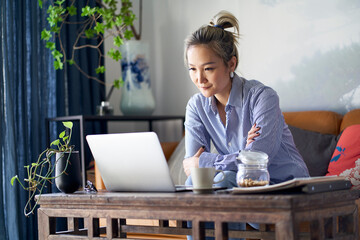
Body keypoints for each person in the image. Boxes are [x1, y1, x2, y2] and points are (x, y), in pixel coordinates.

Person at [182, 10, 310, 239]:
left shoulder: (263, 97)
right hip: (238, 186)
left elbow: (257, 160)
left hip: (284, 187)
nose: (199, 79)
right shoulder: (196, 106)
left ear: (231, 64)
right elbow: (194, 169)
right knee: (199, 182)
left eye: (208, 68)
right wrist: (243, 154)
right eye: (193, 69)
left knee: (224, 180)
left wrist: (207, 160)